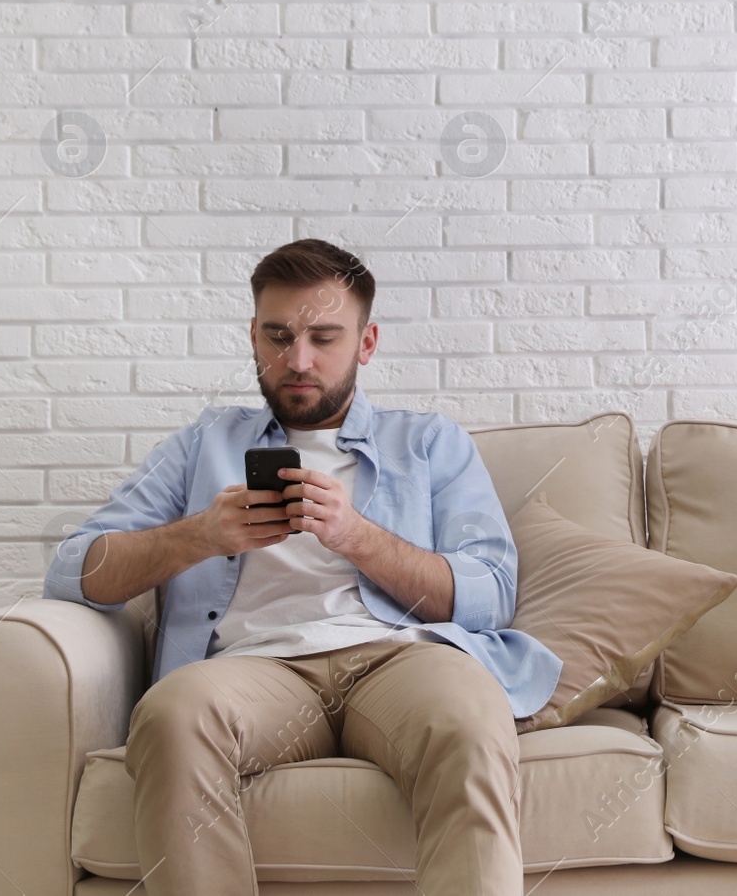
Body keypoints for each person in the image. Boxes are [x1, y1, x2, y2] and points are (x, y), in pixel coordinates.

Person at [43, 238, 560, 896]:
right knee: (171, 714)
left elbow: (492, 594)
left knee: (467, 715)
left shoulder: (429, 441)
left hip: (397, 659)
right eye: (279, 336)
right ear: (253, 336)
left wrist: (358, 537)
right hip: (250, 670)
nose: (299, 360)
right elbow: (71, 572)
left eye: (324, 336)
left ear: (366, 343)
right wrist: (199, 534)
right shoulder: (206, 442)